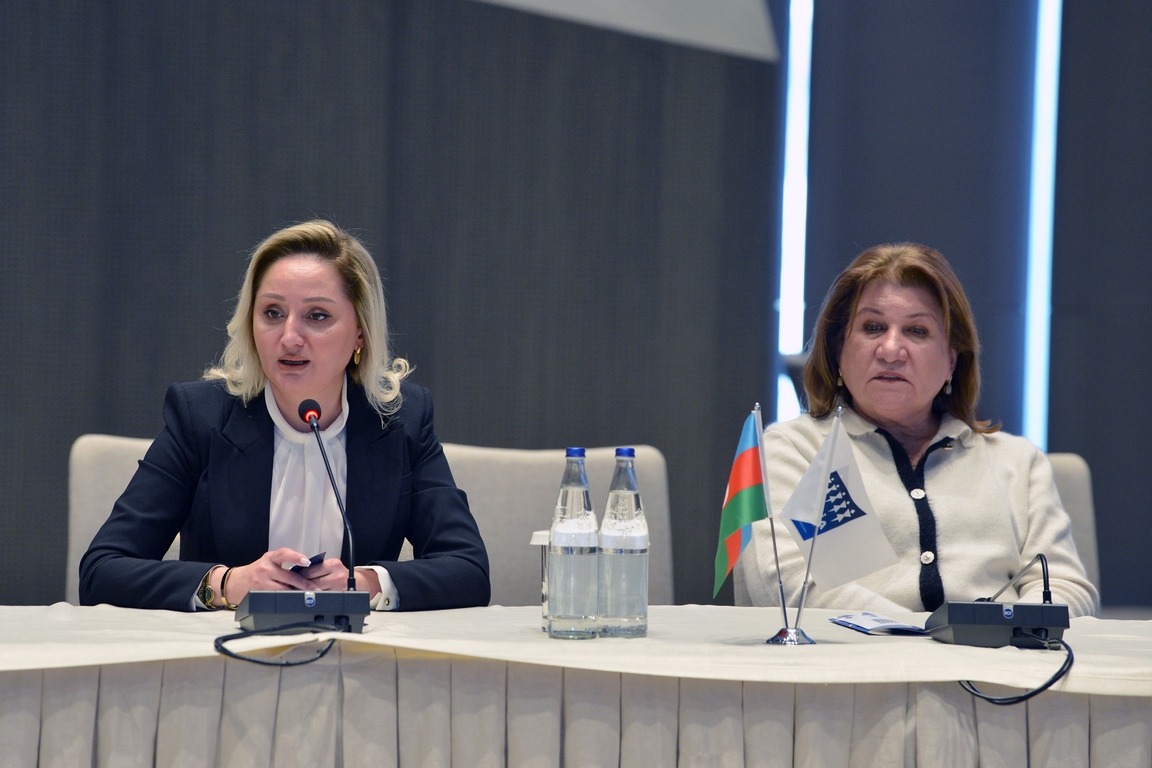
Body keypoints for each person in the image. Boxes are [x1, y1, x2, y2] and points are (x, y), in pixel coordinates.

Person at [80, 220, 490, 612]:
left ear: (361, 333)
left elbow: (468, 569)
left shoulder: (399, 422)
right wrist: (227, 584)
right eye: (273, 313)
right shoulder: (201, 418)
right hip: (226, 652)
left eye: (317, 316)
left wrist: (365, 583)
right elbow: (102, 570)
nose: (290, 337)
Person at [735, 243, 1098, 618]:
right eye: (873, 327)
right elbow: (786, 586)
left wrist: (1007, 633)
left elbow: (1066, 588)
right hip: (852, 655)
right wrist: (920, 638)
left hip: (998, 653)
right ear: (838, 350)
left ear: (951, 361)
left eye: (917, 330)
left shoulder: (1019, 463)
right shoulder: (793, 451)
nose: (891, 350)